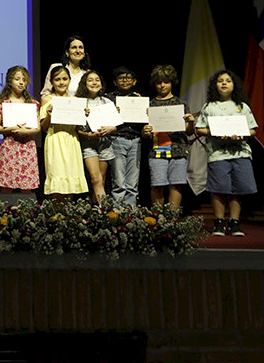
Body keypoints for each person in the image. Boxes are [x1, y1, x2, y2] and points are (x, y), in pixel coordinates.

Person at [195, 69, 258, 236]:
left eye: (228, 81)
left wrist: (242, 134)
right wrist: (213, 132)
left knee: (239, 188)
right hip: (217, 154)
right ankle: (219, 222)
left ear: (234, 85)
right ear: (215, 85)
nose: (224, 83)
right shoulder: (209, 106)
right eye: (220, 80)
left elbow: (253, 130)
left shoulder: (242, 106)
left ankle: (234, 222)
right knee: (219, 188)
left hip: (241, 153)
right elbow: (199, 128)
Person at [142, 64, 195, 209]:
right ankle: (158, 218)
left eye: (166, 82)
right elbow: (145, 133)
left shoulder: (181, 104)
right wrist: (145, 132)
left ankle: (171, 218)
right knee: (157, 184)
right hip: (157, 151)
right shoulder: (150, 105)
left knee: (176, 185)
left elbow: (189, 132)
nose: (162, 85)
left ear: (172, 82)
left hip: (178, 150)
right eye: (158, 82)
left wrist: (191, 123)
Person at [39, 65, 89, 200]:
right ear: (52, 82)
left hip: (72, 141)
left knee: (70, 184)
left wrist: (83, 116)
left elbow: (78, 127)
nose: (61, 82)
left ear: (70, 80)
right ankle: (57, 213)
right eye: (57, 79)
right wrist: (49, 115)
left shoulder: (75, 100)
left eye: (65, 79)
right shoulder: (47, 99)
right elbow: (43, 127)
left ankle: (68, 213)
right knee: (57, 183)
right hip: (55, 140)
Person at [0, 65, 40, 194]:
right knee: (7, 185)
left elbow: (37, 128)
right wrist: (10, 129)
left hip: (28, 147)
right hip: (10, 146)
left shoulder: (32, 104)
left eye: (24, 80)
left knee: (27, 186)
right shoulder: (3, 103)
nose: (21, 82)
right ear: (9, 81)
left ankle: (27, 208)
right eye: (17, 79)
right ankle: (6, 208)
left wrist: (26, 132)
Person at [75, 70, 117, 203]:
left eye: (97, 80)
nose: (94, 83)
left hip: (104, 143)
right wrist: (88, 134)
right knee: (95, 178)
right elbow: (76, 130)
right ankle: (104, 209)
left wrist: (110, 128)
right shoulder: (80, 102)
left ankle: (96, 210)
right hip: (88, 143)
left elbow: (115, 125)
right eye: (90, 80)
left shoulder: (107, 101)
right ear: (84, 84)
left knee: (101, 179)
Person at [105, 66, 143, 206]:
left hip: (136, 140)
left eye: (128, 78)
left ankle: (130, 211)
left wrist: (145, 110)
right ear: (115, 82)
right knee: (119, 181)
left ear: (134, 81)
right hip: (117, 139)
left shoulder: (139, 99)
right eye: (121, 78)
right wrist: (112, 112)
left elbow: (144, 122)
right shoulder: (108, 99)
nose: (125, 81)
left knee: (132, 182)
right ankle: (118, 212)